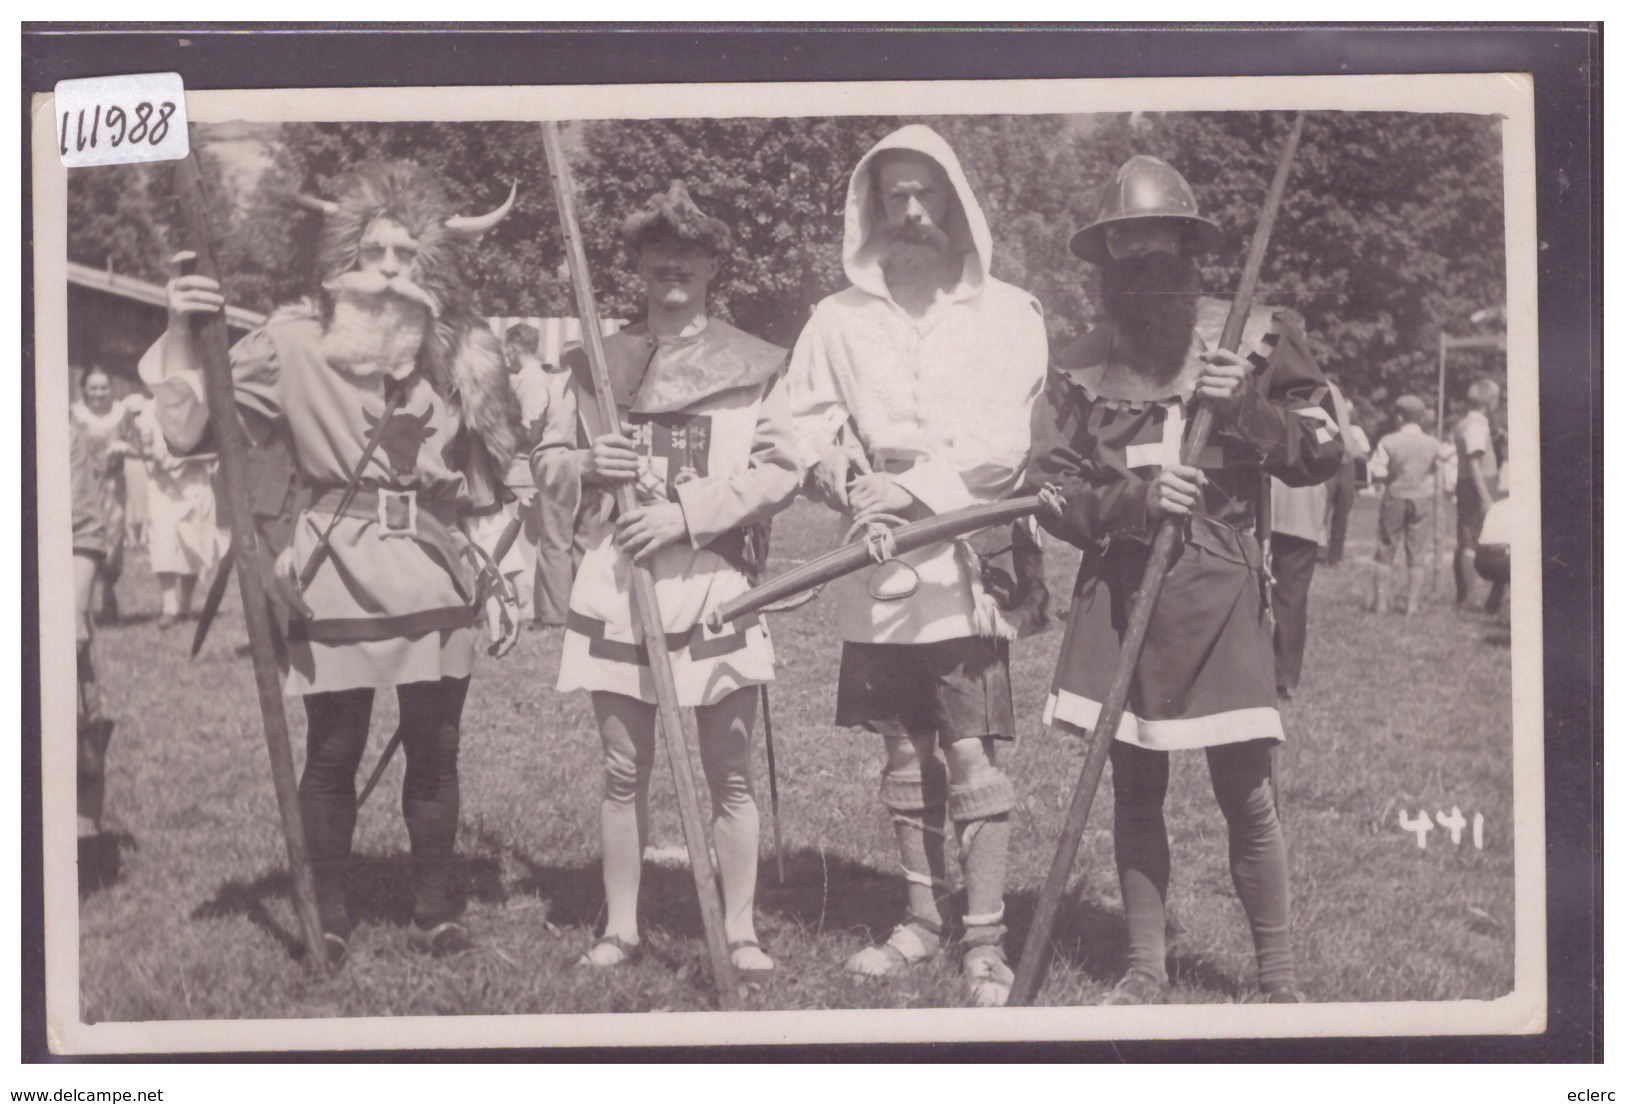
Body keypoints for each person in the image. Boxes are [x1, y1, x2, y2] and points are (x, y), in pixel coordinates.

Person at [142, 163, 525, 964]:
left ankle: (434, 909)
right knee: (333, 751)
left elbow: (492, 477)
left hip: (431, 568)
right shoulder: (291, 342)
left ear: (431, 270)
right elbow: (187, 431)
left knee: (436, 749)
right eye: (375, 252)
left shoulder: (462, 353)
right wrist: (182, 329)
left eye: (408, 256)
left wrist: (499, 570)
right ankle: (332, 914)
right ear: (345, 262)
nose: (390, 269)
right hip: (334, 570)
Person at [1027, 155, 1343, 1005]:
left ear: (1187, 246)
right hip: (1121, 594)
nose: (1141, 258)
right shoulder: (1080, 365)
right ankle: (1143, 968)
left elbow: (1323, 453)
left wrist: (1245, 407)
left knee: (1245, 791)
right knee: (1134, 786)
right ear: (1102, 261)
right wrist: (1131, 499)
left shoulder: (1259, 337)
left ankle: (1276, 980)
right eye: (1122, 247)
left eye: (1156, 241)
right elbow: (1046, 491)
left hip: (1221, 586)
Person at [784, 124, 1048, 1007]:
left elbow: (1004, 446)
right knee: (901, 744)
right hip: (874, 554)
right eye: (891, 194)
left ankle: (983, 942)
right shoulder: (836, 318)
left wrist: (917, 491)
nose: (909, 210)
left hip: (963, 550)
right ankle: (920, 919)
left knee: (969, 746)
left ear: (954, 202)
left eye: (923, 193)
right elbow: (796, 417)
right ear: (870, 207)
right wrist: (839, 471)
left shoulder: (1008, 313)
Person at [535, 181, 800, 977]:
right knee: (623, 769)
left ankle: (742, 929)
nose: (672, 266)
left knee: (728, 769)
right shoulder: (594, 360)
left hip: (715, 582)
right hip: (620, 586)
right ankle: (621, 927)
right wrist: (584, 462)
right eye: (656, 255)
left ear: (713, 262)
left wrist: (687, 513)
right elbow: (545, 465)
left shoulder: (753, 364)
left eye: (689, 252)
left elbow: (781, 469)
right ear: (637, 267)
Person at [128, 395, 227, 626]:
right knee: (163, 540)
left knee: (192, 542)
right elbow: (142, 447)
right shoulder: (149, 410)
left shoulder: (201, 409)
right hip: (163, 486)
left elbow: (217, 450)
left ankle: (185, 606)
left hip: (194, 484)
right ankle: (169, 605)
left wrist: (184, 460)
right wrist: (155, 457)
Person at [70, 368, 132, 624]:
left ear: (111, 388)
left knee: (113, 541)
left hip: (113, 485)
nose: (98, 393)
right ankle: (85, 605)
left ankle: (108, 592)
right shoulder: (74, 414)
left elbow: (136, 442)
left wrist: (124, 448)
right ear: (84, 389)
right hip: (83, 487)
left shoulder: (122, 414)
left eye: (103, 387)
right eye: (93, 388)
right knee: (86, 539)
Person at [1368, 394, 1439, 615]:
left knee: (1386, 549)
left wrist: (1385, 480)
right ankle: (1412, 606)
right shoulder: (1433, 443)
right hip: (1422, 499)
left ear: (1399, 417)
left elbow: (1378, 470)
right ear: (1421, 418)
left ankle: (1380, 605)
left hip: (1395, 496)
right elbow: (1438, 471)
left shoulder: (1388, 441)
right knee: (1417, 553)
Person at [1269, 476, 1328, 701]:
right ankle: (1283, 681)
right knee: (1292, 600)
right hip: (1303, 509)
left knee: (1245, 592)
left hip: (1263, 504)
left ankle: (1260, 677)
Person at [1452, 377, 1506, 613]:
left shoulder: (1470, 423)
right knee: (1472, 541)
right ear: (1491, 401)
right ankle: (1470, 598)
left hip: (1473, 484)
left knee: (1471, 539)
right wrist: (1485, 496)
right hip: (1477, 487)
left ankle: (1472, 596)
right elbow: (1474, 462)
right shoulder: (1476, 426)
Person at [1319, 373, 1365, 566]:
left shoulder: (1332, 390)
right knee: (1322, 509)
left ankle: (1334, 556)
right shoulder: (1314, 389)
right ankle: (1319, 554)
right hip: (1329, 457)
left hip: (1346, 458)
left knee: (1342, 511)